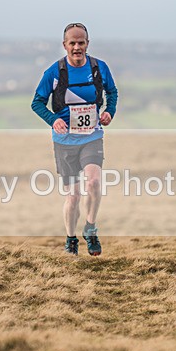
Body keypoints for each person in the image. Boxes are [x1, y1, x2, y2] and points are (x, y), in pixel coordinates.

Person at [31, 23, 118, 256]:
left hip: (92, 136)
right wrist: (53, 120)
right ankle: (71, 239)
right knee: (73, 196)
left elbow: (112, 92)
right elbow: (37, 103)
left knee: (94, 182)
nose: (77, 47)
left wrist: (109, 111)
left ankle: (90, 228)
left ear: (88, 44)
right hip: (65, 142)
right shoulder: (54, 72)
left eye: (81, 43)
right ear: (65, 45)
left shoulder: (99, 68)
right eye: (73, 43)